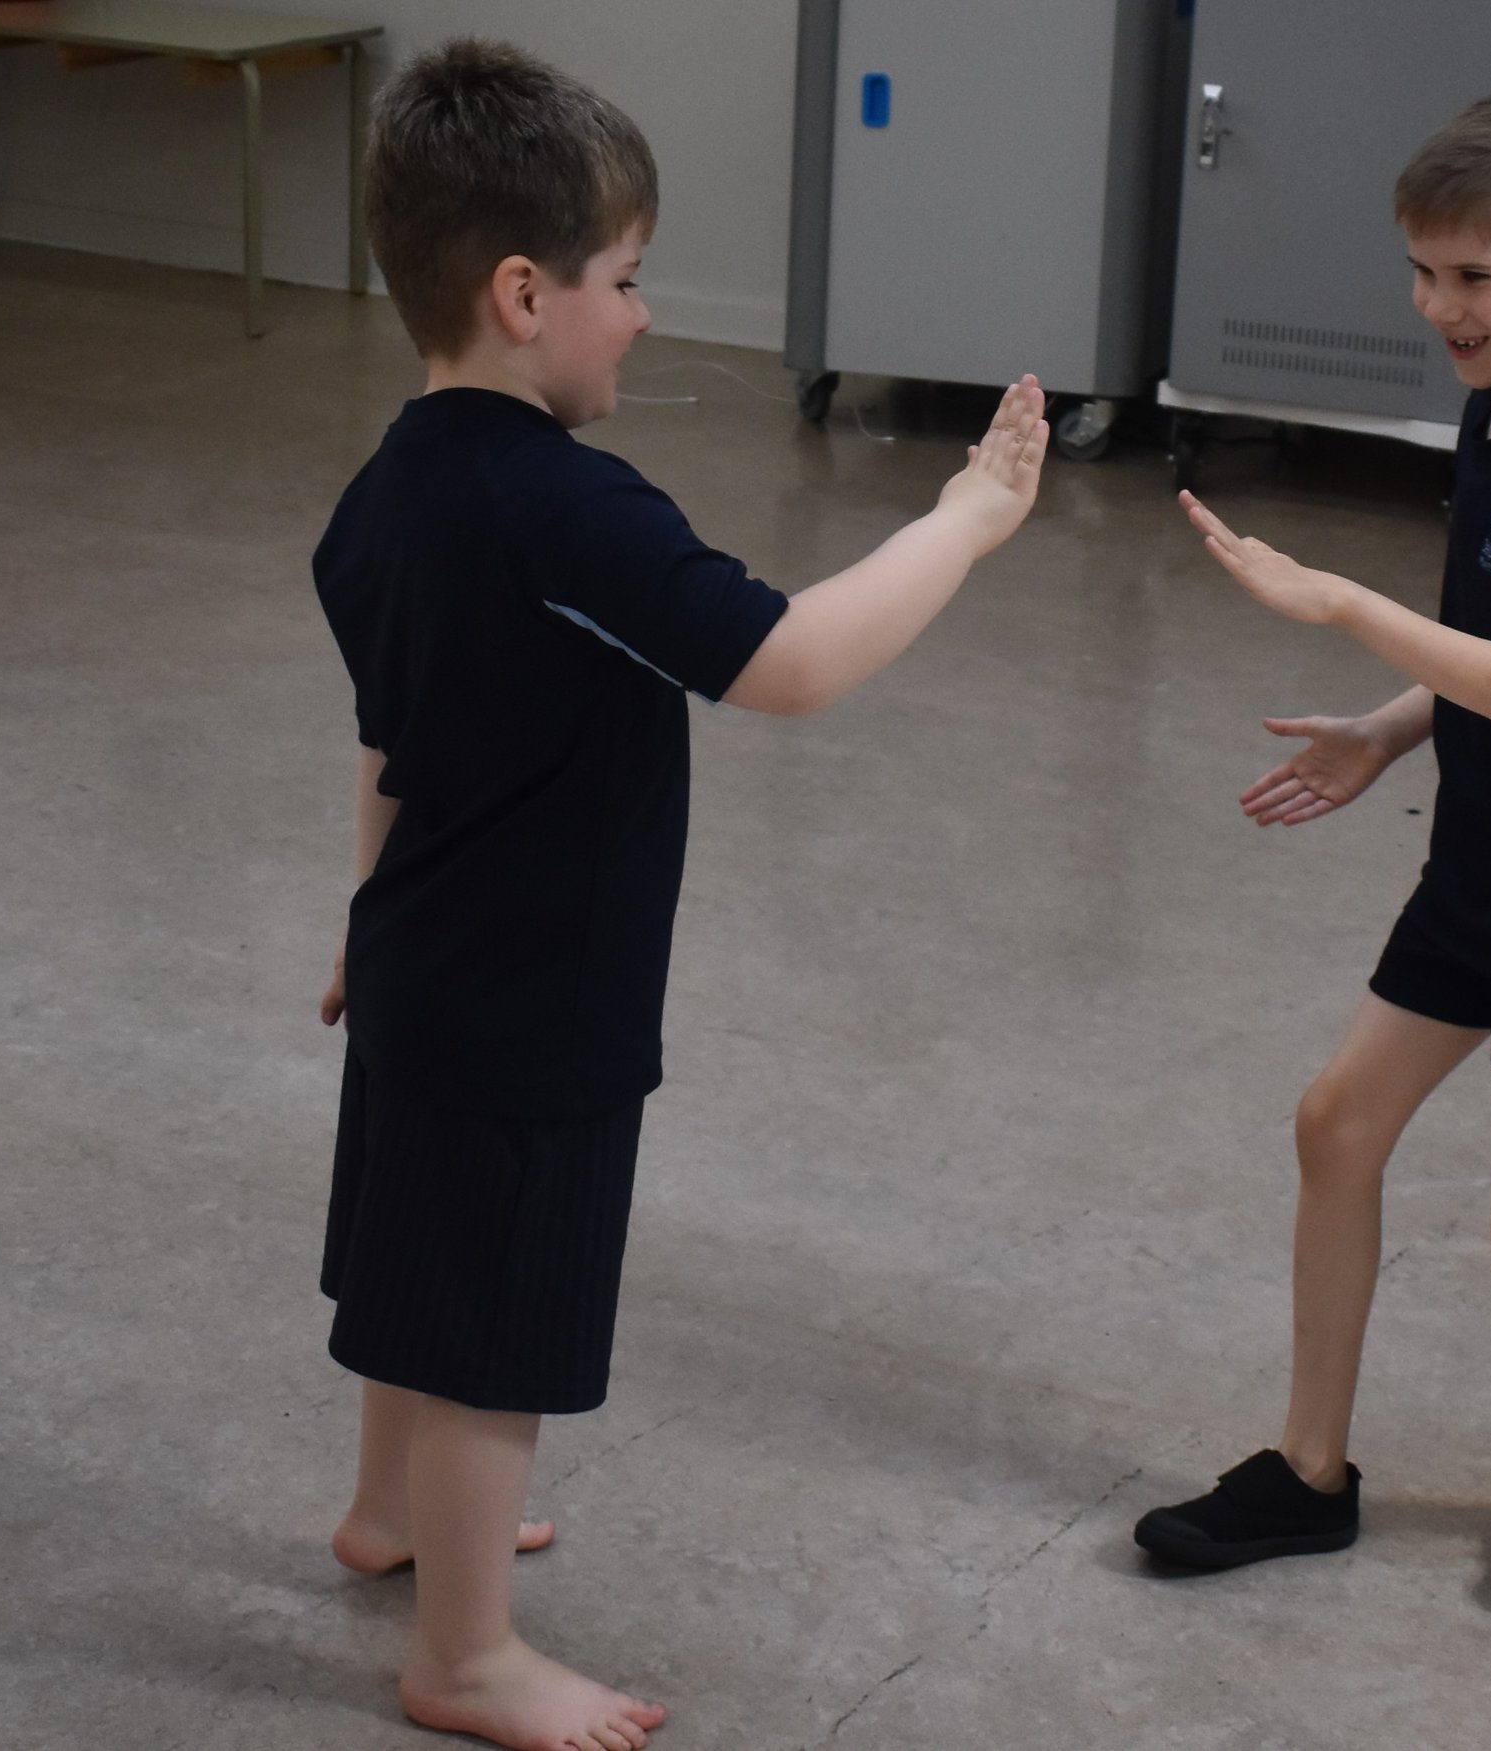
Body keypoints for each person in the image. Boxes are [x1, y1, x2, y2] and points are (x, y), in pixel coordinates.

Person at [311, 40, 1048, 1751]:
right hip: (536, 995)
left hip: (419, 958)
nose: (643, 316)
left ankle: (389, 1519)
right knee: (500, 1326)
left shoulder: (385, 494)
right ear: (521, 293)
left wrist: (363, 912)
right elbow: (786, 660)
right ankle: (467, 1654)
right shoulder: (566, 507)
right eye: (626, 283)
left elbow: (388, 738)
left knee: (419, 1259)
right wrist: (965, 517)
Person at [1133, 92, 1491, 1616]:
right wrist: (1387, 729)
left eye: (1473, 278)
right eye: (1422, 271)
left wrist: (1341, 604)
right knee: (1336, 1124)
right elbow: (1481, 653)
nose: (1438, 308)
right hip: (1484, 870)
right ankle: (1308, 1471)